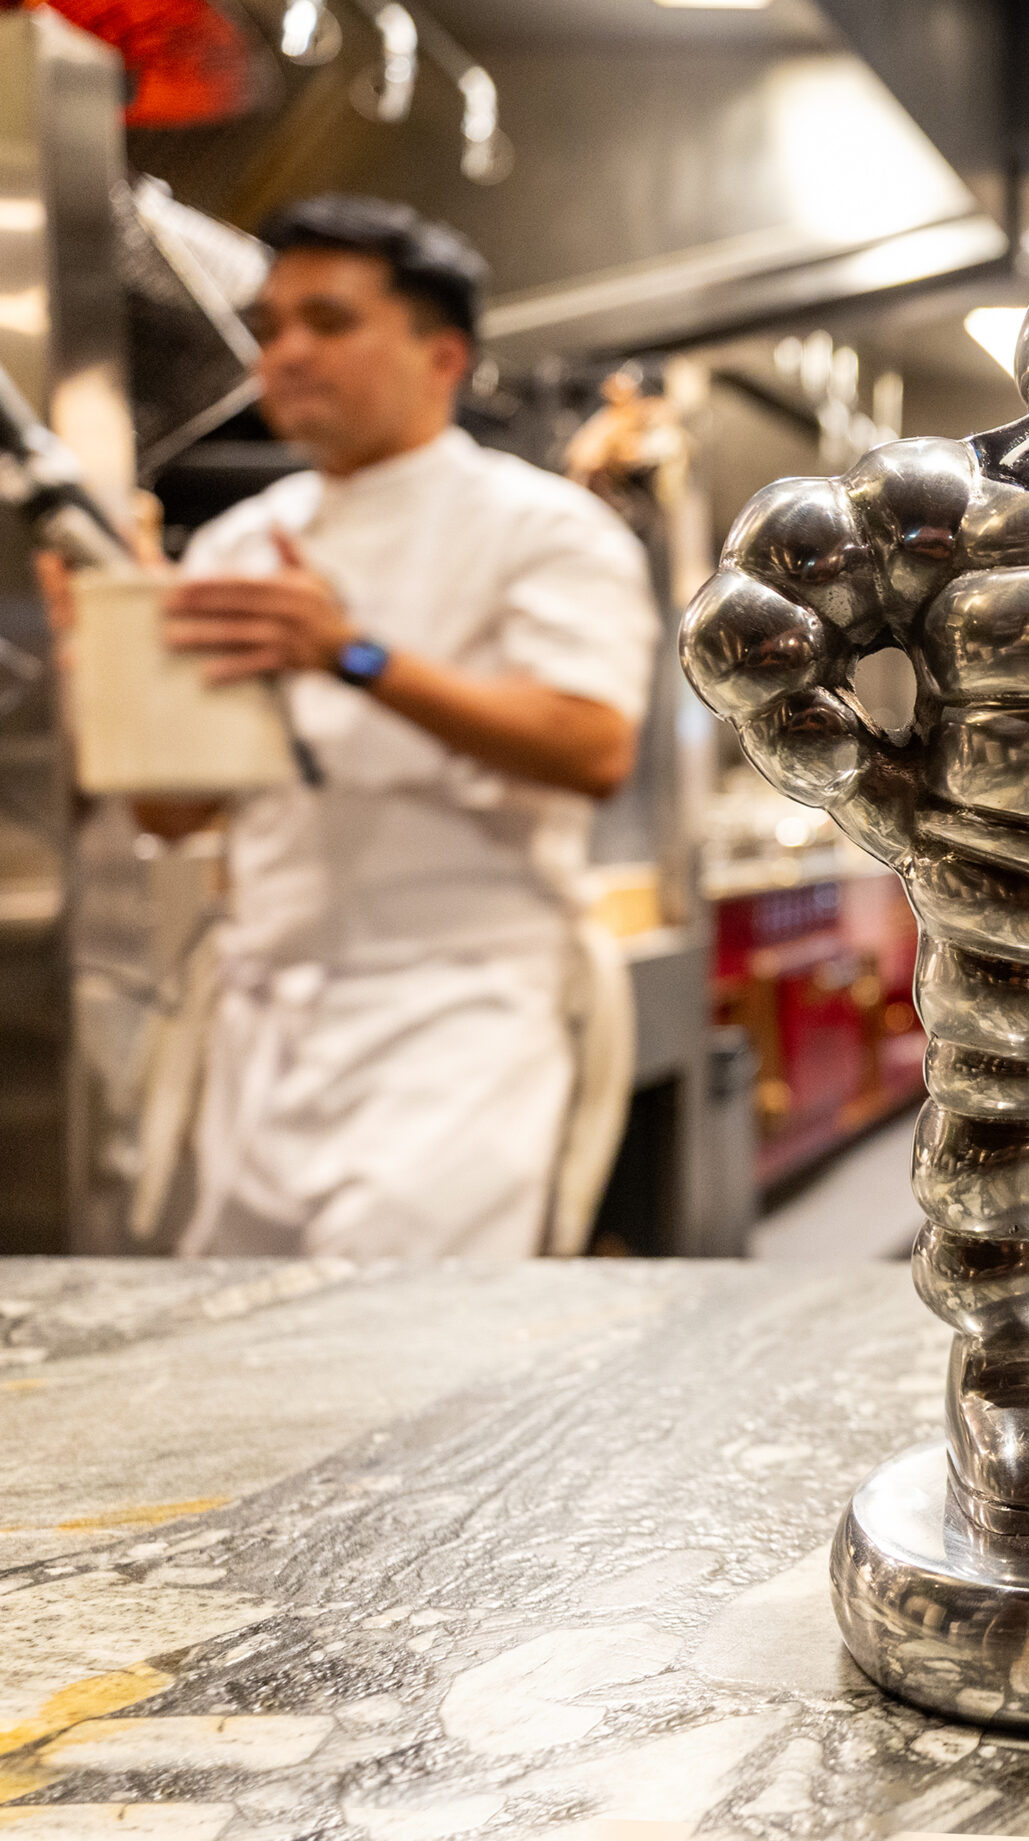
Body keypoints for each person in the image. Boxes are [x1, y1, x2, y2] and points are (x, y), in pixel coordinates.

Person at [43, 194, 658, 1257]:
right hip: (259, 1019)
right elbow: (175, 812)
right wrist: (102, 666)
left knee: (403, 1336)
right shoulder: (241, 543)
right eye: (271, 326)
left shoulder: (543, 526)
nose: (284, 353)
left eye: (327, 323)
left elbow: (590, 746)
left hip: (456, 1016)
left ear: (442, 356)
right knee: (246, 1335)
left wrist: (351, 654)